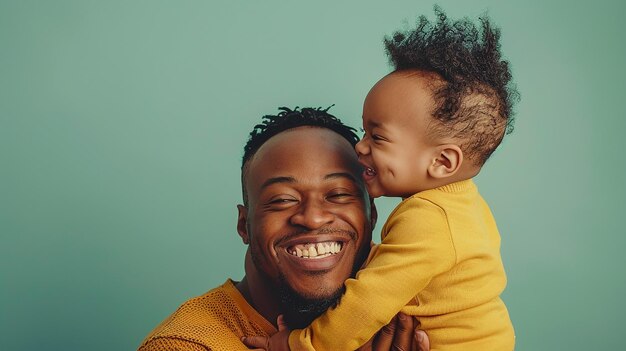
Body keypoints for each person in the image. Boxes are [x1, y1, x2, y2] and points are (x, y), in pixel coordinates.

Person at [250, 8, 518, 351]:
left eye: (377, 137)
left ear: (442, 161)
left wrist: (296, 344)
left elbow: (366, 304)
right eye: (364, 132)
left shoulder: (429, 219)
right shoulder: (466, 208)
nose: (360, 147)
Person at [137, 107, 429, 351]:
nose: (313, 218)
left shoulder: (420, 299)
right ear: (244, 226)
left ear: (372, 215)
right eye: (282, 200)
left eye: (338, 194)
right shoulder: (186, 344)